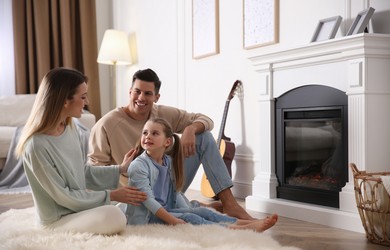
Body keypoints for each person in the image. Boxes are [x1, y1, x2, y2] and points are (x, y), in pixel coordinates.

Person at [88, 68, 256, 220]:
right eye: (137, 92)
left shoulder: (162, 113)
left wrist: (190, 128)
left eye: (148, 93)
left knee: (203, 136)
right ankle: (195, 206)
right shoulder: (106, 125)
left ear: (156, 97)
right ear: (130, 91)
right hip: (137, 191)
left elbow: (206, 120)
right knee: (182, 212)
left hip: (168, 182)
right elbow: (95, 171)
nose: (141, 98)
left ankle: (229, 204)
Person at [15, 67, 147, 235]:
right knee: (114, 215)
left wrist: (120, 169)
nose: (87, 102)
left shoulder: (70, 128)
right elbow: (64, 196)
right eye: (83, 97)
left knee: (135, 202)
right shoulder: (36, 146)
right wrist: (112, 195)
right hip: (57, 220)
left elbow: (81, 172)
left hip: (77, 210)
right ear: (65, 100)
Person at [126, 117, 278, 231]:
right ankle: (236, 230)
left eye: (154, 133)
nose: (147, 136)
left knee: (200, 211)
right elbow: (149, 202)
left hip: (166, 209)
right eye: (145, 133)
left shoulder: (167, 161)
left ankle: (244, 222)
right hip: (148, 217)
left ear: (167, 142)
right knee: (191, 217)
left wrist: (185, 209)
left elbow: (172, 193)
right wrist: (174, 220)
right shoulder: (138, 166)